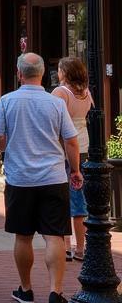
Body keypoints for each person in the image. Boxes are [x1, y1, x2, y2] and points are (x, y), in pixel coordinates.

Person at [0, 53, 82, 303]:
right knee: (54, 235)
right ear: (43, 75)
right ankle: (56, 292)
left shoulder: (7, 101)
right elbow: (71, 140)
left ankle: (26, 289)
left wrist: (8, 146)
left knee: (23, 235)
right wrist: (74, 169)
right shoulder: (55, 104)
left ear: (20, 74)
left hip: (20, 179)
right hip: (53, 177)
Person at [52, 56, 93, 262]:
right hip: (84, 146)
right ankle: (81, 247)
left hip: (65, 148)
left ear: (65, 72)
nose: (57, 73)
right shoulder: (86, 92)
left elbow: (55, 120)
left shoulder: (61, 92)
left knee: (64, 199)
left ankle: (68, 246)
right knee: (79, 197)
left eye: (59, 69)